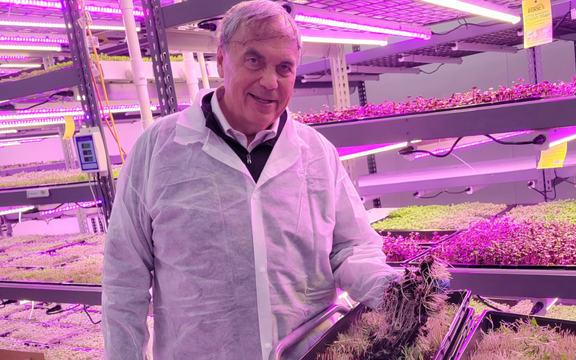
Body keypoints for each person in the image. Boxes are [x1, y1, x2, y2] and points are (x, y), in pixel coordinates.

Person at [101, 1, 399, 359]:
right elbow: (124, 282)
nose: (270, 82)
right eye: (254, 60)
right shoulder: (157, 151)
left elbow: (352, 248)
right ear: (222, 59)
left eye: (284, 67)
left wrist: (392, 288)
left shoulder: (317, 152)